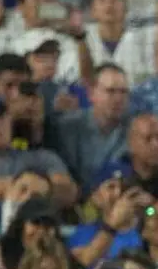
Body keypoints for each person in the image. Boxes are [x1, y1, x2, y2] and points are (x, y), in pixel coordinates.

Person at [0, 89, 79, 208]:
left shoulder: (41, 157)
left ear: (9, 119)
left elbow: (70, 193)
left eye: (0, 115)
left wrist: (47, 187)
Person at [46, 62, 130, 195]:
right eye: (111, 91)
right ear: (91, 94)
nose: (118, 98)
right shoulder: (66, 128)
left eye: (123, 92)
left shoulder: (135, 130)